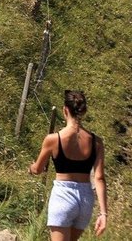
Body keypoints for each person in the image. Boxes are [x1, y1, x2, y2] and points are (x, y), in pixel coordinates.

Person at [30, 90, 109, 239]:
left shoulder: (53, 139)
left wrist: (31, 167)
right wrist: (103, 213)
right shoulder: (96, 142)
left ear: (65, 110)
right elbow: (99, 178)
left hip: (63, 195)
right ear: (84, 111)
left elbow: (38, 169)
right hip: (85, 199)